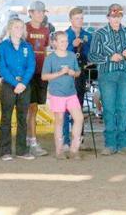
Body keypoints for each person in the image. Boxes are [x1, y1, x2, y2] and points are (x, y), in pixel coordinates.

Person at [90, 3, 126, 155]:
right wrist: (109, 57)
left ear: (121, 17)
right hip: (107, 75)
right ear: (108, 17)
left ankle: (123, 144)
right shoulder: (99, 34)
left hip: (125, 75)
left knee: (124, 108)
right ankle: (110, 144)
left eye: (118, 16)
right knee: (110, 108)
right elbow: (92, 55)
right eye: (113, 16)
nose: (116, 19)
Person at [0, 18, 36, 160]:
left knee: (22, 118)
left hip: (24, 85)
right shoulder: (2, 46)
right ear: (9, 29)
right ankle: (5, 151)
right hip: (9, 85)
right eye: (16, 27)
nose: (19, 30)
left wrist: (23, 83)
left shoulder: (27, 46)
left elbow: (31, 66)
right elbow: (2, 67)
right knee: (6, 117)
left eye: (21, 27)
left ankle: (21, 150)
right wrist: (15, 83)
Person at [42, 31, 84, 160]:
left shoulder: (71, 56)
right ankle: (59, 150)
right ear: (54, 43)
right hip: (57, 94)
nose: (64, 43)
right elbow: (44, 76)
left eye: (66, 41)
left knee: (79, 118)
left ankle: (74, 149)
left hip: (71, 93)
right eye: (61, 41)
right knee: (59, 121)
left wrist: (72, 73)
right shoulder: (50, 58)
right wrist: (60, 73)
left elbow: (78, 72)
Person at [23, 0, 54, 157]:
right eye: (38, 12)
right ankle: (32, 141)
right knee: (31, 107)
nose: (41, 14)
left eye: (43, 12)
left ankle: (30, 139)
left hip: (41, 73)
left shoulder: (46, 31)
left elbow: (47, 49)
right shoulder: (24, 29)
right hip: (27, 74)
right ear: (31, 13)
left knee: (34, 107)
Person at [63, 7, 91, 145]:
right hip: (66, 73)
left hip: (81, 72)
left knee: (78, 104)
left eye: (81, 18)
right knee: (65, 106)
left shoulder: (87, 35)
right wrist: (71, 47)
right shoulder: (65, 35)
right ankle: (65, 138)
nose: (79, 21)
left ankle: (78, 135)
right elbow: (60, 53)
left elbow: (89, 54)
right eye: (77, 18)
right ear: (71, 20)